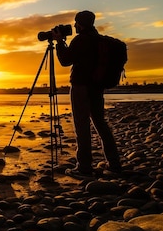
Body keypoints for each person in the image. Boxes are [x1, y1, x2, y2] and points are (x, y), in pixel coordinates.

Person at [52, 10, 122, 178]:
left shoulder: (81, 40)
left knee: (81, 126)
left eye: (76, 23)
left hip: (81, 87)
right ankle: (114, 164)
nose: (74, 26)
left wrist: (60, 42)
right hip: (97, 87)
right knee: (100, 123)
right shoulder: (99, 40)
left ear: (80, 24)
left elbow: (65, 60)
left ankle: (84, 167)